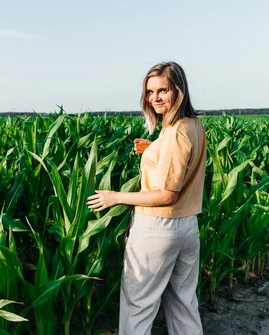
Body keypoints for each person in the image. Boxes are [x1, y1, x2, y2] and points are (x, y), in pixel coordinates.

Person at [87, 61, 206, 335]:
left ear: (179, 90)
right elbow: (181, 161)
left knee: (138, 308)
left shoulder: (175, 133)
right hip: (187, 228)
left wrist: (115, 196)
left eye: (163, 90)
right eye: (150, 92)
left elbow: (167, 194)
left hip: (158, 229)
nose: (155, 98)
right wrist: (153, 149)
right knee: (183, 304)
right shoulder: (193, 125)